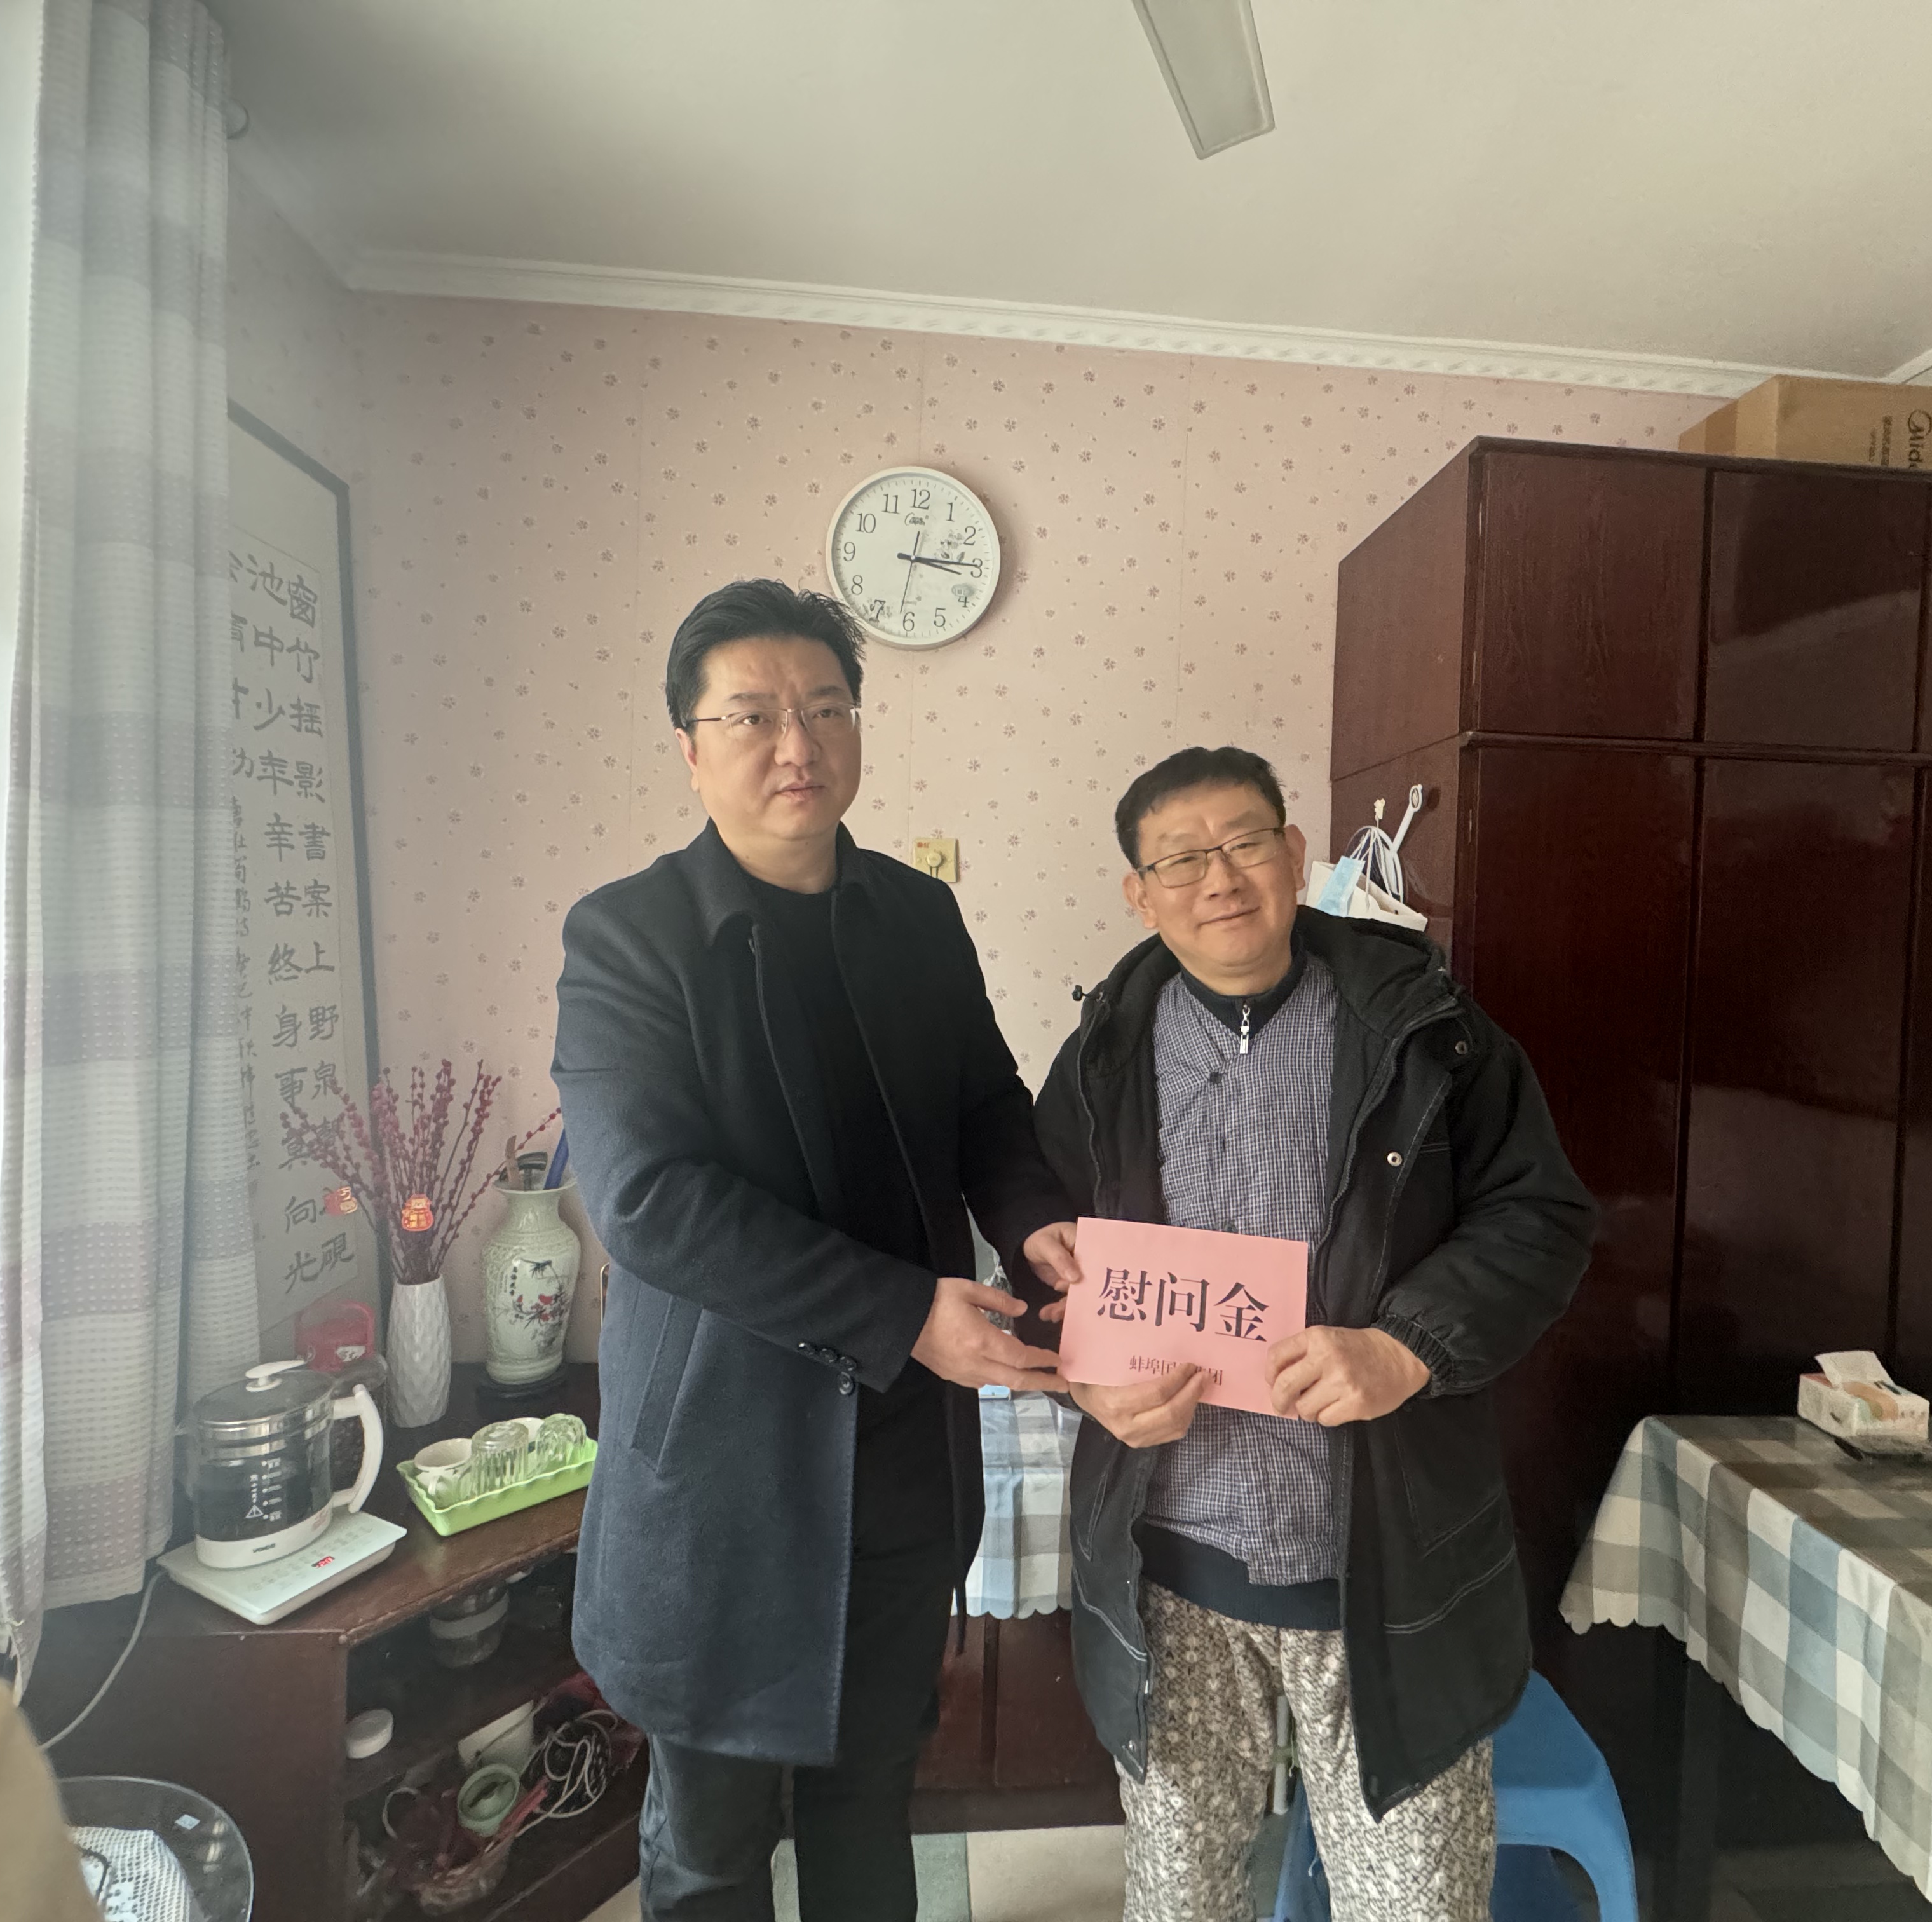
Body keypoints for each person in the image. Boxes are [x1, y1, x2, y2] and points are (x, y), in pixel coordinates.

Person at [550, 580, 1083, 1922]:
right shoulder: (626, 936)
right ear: (690, 747)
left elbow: (986, 1106)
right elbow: (650, 1200)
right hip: (724, 1466)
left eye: (828, 708)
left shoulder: (917, 915)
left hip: (899, 1456)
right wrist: (906, 1313)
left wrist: (1032, 1218)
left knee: (869, 1799)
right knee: (712, 1843)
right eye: (753, 715)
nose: (799, 744)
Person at [1031, 746, 1596, 1922]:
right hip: (1168, 1563)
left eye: (1245, 842)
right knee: (1181, 1902)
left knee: (1416, 1903)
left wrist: (1405, 1348)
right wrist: (1085, 1379)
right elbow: (1045, 1261)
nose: (1219, 878)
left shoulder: (1429, 1032)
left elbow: (1539, 1217)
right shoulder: (1099, 1059)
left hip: (1385, 1562)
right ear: (1139, 893)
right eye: (1181, 859)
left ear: (1296, 855)